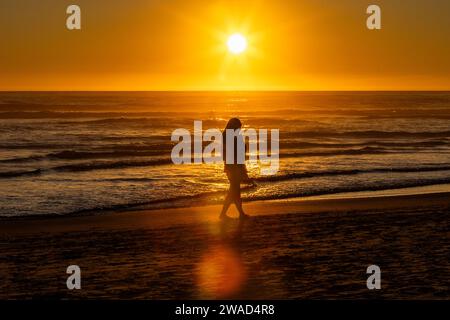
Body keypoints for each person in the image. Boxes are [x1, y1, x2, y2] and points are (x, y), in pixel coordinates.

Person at [220, 118, 254, 220]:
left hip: (231, 166)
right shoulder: (231, 136)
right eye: (239, 127)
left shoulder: (227, 135)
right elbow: (236, 151)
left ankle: (229, 214)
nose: (240, 129)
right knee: (235, 191)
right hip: (234, 166)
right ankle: (239, 214)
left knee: (233, 191)